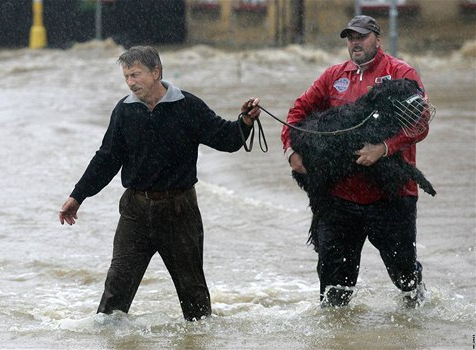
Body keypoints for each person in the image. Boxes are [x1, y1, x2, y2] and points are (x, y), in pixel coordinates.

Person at [59, 46, 261, 321]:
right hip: (135, 211)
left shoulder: (187, 106)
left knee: (194, 299)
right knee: (115, 293)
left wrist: (246, 121)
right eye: (126, 76)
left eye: (135, 74)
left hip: (180, 211)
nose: (131, 82)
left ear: (156, 72)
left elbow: (225, 138)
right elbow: (106, 159)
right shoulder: (124, 111)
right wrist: (78, 196)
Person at [280, 16, 429, 307]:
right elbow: (297, 112)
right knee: (334, 290)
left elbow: (420, 123)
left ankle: (416, 325)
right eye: (350, 38)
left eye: (361, 36)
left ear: (377, 39)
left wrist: (384, 148)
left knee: (405, 279)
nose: (355, 43)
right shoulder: (334, 76)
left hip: (390, 197)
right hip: (340, 199)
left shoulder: (401, 73)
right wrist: (291, 151)